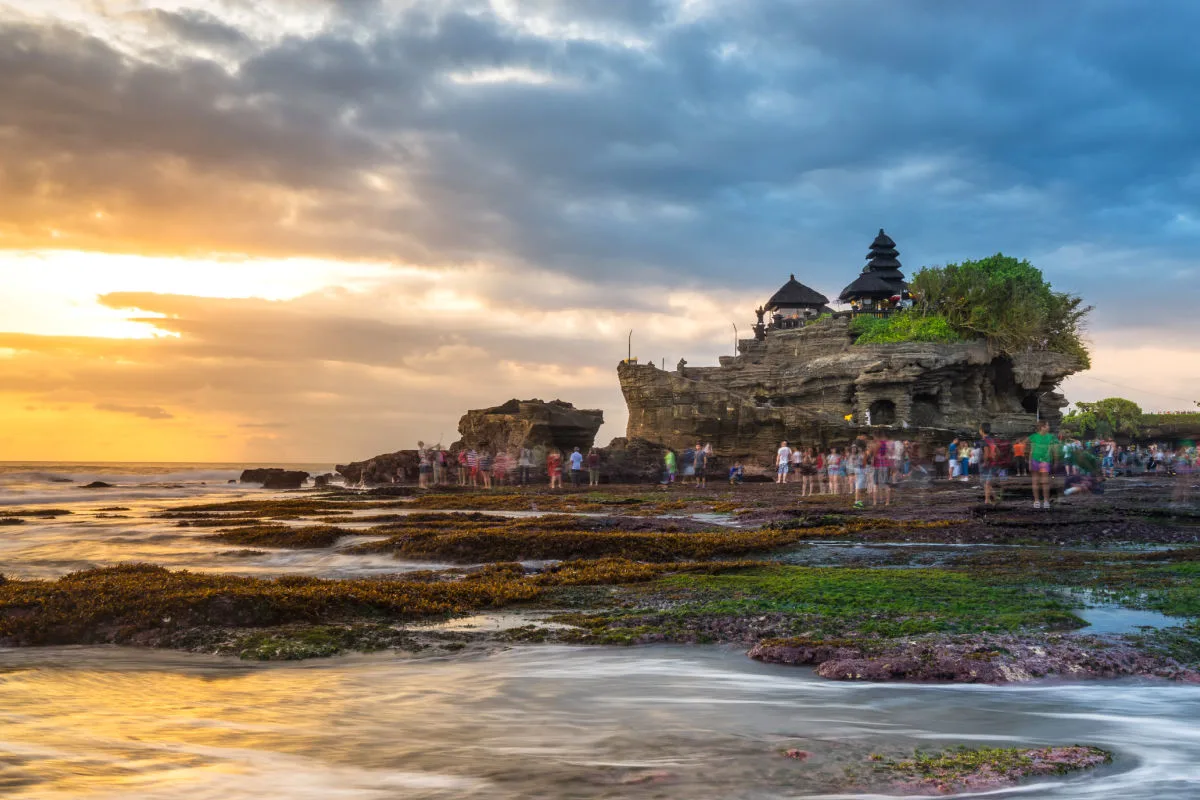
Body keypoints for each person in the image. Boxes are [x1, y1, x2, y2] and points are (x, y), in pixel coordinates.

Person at [1029, 420, 1060, 509]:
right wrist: (1030, 463)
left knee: (1039, 482)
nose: (1049, 427)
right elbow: (1031, 450)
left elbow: (1054, 449)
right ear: (1042, 427)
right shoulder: (1050, 437)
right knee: (1041, 482)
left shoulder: (1034, 437)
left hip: (1040, 461)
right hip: (1043, 461)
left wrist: (1056, 460)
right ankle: (1042, 501)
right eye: (1047, 425)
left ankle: (1040, 501)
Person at [979, 423, 997, 506]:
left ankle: (987, 500)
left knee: (986, 482)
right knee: (987, 482)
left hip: (987, 463)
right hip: (993, 462)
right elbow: (997, 450)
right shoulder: (991, 439)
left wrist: (985, 462)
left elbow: (986, 452)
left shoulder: (984, 440)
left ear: (981, 430)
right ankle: (995, 497)